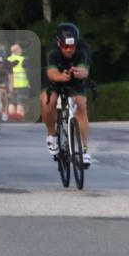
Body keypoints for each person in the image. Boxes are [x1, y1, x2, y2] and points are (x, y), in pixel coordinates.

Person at [41, 23, 93, 165]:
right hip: (55, 80)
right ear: (59, 43)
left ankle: (84, 150)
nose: (69, 50)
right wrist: (61, 77)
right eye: (65, 46)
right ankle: (52, 135)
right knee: (48, 101)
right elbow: (51, 73)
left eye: (72, 46)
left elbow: (85, 71)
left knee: (81, 105)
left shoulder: (83, 49)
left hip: (74, 80)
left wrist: (79, 73)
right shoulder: (51, 50)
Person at [7, 43, 31, 119]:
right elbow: (28, 73)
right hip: (22, 86)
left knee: (11, 103)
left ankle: (12, 121)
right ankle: (20, 121)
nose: (21, 50)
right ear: (16, 51)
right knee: (20, 104)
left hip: (10, 86)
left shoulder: (7, 60)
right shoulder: (23, 59)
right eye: (20, 49)